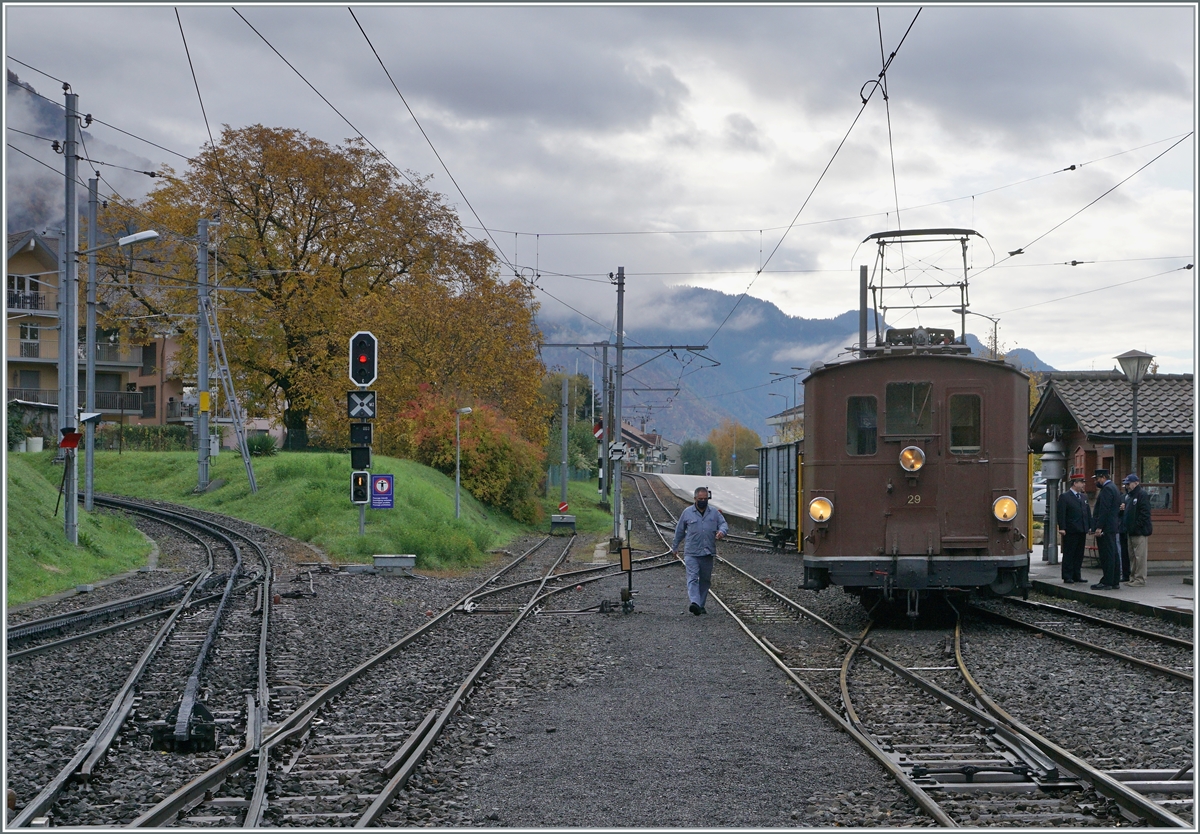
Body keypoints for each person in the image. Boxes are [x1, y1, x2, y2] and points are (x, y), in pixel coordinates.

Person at [670, 486, 729, 615]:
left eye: (705, 498)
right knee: (692, 578)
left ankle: (700, 605)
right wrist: (675, 547)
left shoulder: (714, 513)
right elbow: (679, 531)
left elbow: (723, 524)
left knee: (705, 580)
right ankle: (695, 602)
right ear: (695, 499)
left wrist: (721, 532)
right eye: (700, 499)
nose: (703, 500)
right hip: (691, 552)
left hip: (708, 552)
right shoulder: (687, 512)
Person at [1090, 469, 1122, 590]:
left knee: (1106, 554)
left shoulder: (1107, 489)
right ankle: (1114, 581)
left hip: (1106, 527)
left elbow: (1104, 510)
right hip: (1112, 526)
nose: (1096, 482)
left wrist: (1099, 527)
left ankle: (1107, 581)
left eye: (1097, 479)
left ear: (1103, 477)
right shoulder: (1114, 488)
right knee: (1113, 553)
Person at [1056, 473, 1091, 584]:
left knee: (1079, 554)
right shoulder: (1065, 497)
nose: (1083, 485)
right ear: (1075, 483)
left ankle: (1077, 574)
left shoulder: (1083, 497)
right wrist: (1062, 527)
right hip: (1071, 530)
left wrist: (1089, 526)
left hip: (1081, 529)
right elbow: (1061, 513)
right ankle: (1067, 575)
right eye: (1081, 482)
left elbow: (1087, 513)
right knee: (1069, 553)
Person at [1121, 474, 1153, 586]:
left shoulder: (1142, 495)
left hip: (1139, 531)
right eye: (1126, 484)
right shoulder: (1129, 496)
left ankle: (1140, 579)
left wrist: (1137, 526)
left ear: (1136, 483)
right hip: (1130, 531)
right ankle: (1133, 577)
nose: (1127, 486)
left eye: (1128, 484)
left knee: (1140, 556)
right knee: (1132, 556)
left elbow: (1145, 513)